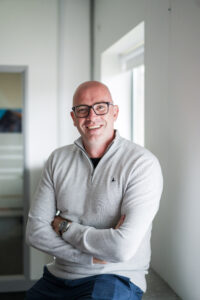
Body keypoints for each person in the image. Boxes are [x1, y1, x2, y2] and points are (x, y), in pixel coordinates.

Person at [25, 81, 163, 300]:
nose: (91, 117)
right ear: (73, 118)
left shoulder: (141, 163)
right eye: (82, 110)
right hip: (58, 276)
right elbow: (35, 233)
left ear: (115, 112)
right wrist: (89, 257)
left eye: (101, 107)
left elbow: (121, 249)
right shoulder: (57, 159)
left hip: (116, 277)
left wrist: (64, 226)